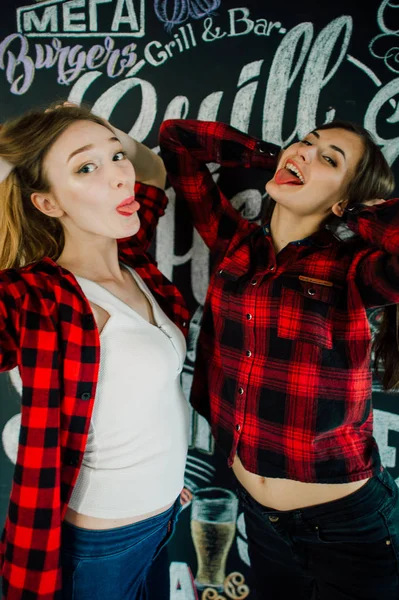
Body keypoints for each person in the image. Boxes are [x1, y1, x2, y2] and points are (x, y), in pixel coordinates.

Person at [159, 118, 399, 600]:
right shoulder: (236, 244)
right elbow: (176, 139)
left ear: (344, 201)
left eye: (330, 158)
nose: (306, 152)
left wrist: (352, 210)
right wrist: (281, 158)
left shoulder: (352, 267)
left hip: (348, 528)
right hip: (260, 519)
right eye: (306, 142)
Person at [0, 103, 191, 600]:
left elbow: (151, 170)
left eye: (115, 157)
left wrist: (91, 124)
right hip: (104, 541)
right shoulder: (32, 297)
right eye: (86, 167)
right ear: (47, 204)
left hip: (164, 514)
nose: (120, 177)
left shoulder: (134, 262)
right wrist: (7, 157)